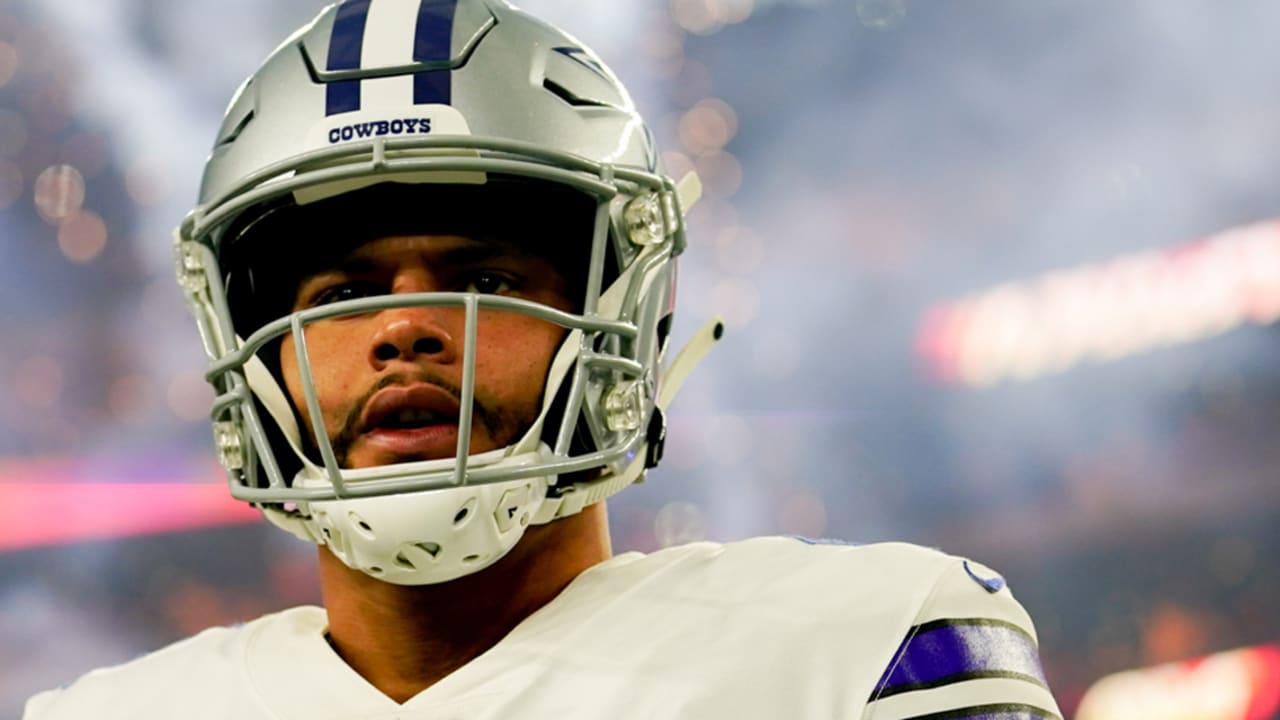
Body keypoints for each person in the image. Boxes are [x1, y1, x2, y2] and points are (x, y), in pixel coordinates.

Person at [25, 1, 1062, 717]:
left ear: (617, 313)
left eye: (482, 278)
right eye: (341, 295)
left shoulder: (868, 649)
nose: (405, 329)